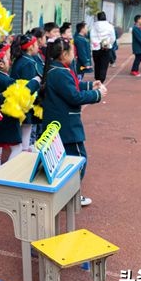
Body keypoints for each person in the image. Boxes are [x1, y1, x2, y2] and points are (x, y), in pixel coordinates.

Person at [40, 39, 106, 206]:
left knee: (66, 159)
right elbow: (73, 96)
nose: (74, 55)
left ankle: (66, 194)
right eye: (72, 52)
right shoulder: (60, 72)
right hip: (67, 125)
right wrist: (97, 95)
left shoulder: (58, 68)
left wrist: (91, 85)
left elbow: (73, 86)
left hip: (61, 122)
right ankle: (71, 196)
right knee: (78, 159)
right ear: (63, 54)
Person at [10, 31, 44, 150]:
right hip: (26, 104)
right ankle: (23, 153)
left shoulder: (22, 59)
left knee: (24, 132)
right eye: (35, 44)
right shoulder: (28, 63)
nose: (38, 46)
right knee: (26, 132)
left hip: (20, 103)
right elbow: (29, 87)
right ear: (30, 47)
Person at [90, 11, 115, 83]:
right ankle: (102, 79)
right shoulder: (110, 26)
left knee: (97, 64)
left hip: (96, 48)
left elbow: (91, 37)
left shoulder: (93, 26)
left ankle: (97, 78)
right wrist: (110, 44)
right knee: (104, 65)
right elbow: (113, 37)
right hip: (106, 47)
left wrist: (94, 44)